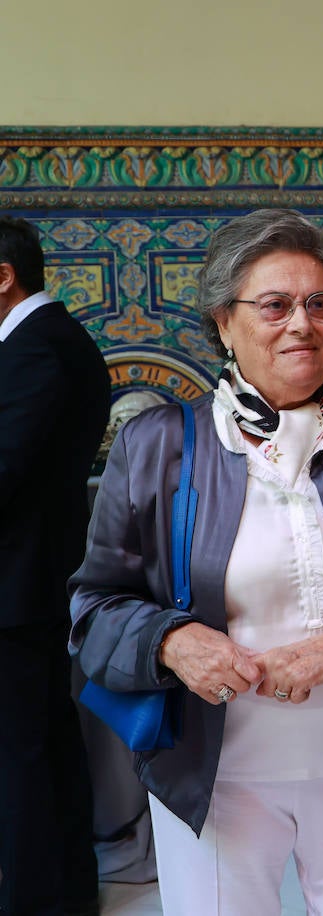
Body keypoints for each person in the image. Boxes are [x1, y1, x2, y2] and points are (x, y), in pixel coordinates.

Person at [69, 209, 323, 914]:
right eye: (275, 305)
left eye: (319, 305)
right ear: (225, 323)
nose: (302, 323)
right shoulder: (160, 447)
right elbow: (94, 608)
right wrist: (171, 641)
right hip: (212, 774)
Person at [0, 216, 108, 916]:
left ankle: (38, 901)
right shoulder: (49, 342)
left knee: (21, 754)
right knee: (41, 742)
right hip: (29, 580)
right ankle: (65, 893)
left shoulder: (38, 349)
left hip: (16, 584)